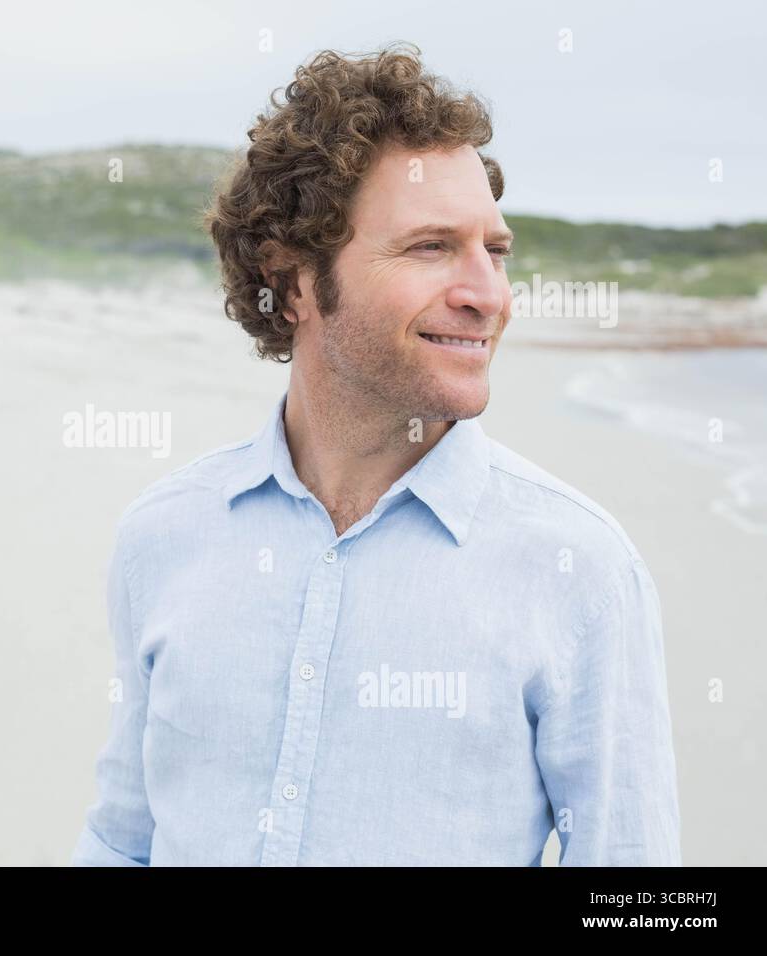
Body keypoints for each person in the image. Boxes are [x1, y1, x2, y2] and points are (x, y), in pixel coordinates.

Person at [70, 43, 681, 866]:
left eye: (494, 251)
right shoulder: (164, 535)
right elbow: (123, 840)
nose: (487, 293)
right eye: (431, 247)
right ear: (291, 284)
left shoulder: (579, 569)